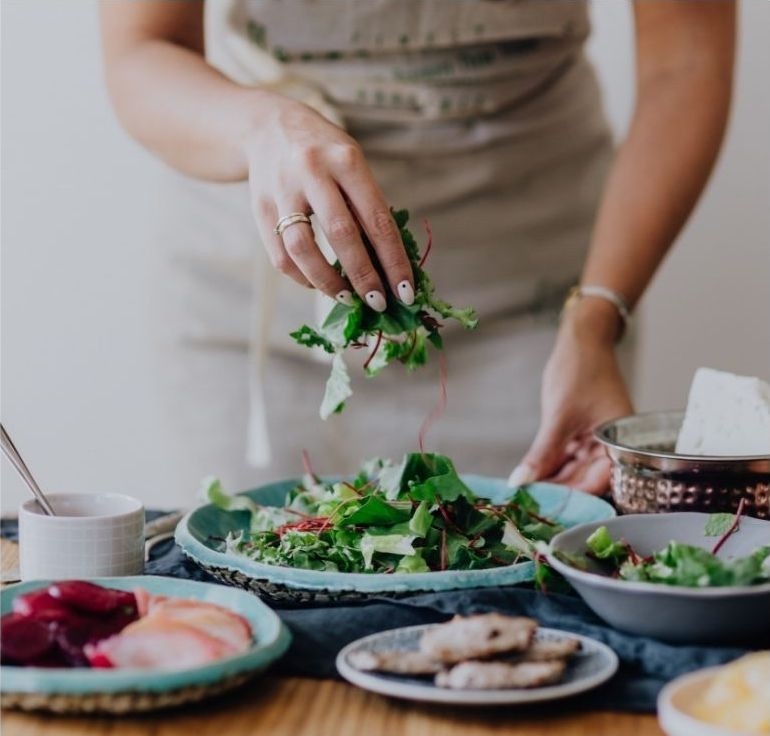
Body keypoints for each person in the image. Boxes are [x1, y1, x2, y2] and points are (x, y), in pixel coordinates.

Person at [100, 0, 735, 495]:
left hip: (541, 312)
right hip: (256, 319)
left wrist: (597, 317)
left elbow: (685, 60)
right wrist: (261, 128)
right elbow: (141, 49)